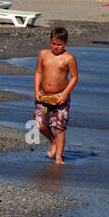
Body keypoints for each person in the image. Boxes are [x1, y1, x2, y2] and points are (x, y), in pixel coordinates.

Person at [34, 27, 78, 165]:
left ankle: (59, 157)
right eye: (53, 44)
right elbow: (38, 72)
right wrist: (36, 90)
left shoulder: (68, 58)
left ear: (65, 43)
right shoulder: (43, 54)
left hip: (60, 97)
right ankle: (53, 142)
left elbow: (74, 77)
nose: (56, 47)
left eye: (59, 45)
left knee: (59, 128)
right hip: (44, 96)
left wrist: (64, 94)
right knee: (40, 124)